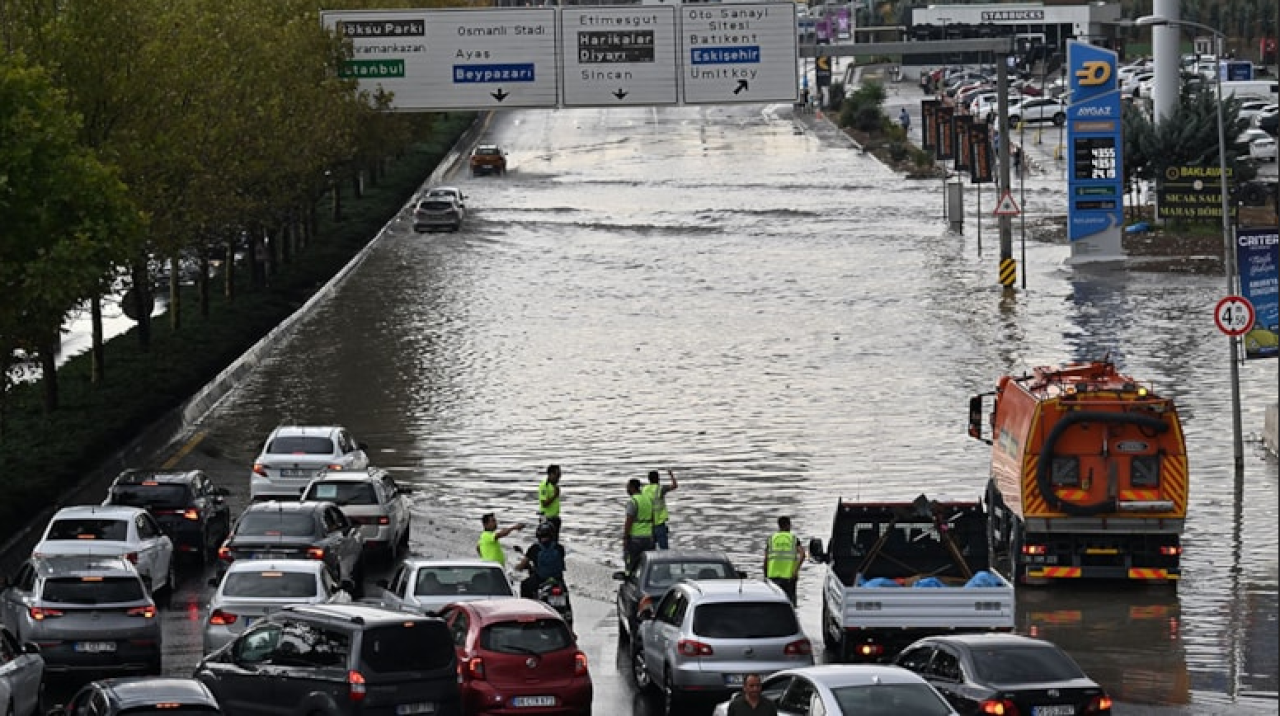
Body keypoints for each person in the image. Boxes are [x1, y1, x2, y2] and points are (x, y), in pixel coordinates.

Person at [514, 521, 567, 598]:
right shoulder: (559, 548)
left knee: (524, 585)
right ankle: (568, 608)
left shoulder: (535, 548)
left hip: (541, 579)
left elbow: (521, 565)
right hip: (557, 579)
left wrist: (517, 568)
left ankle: (527, 607)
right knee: (565, 593)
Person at [763, 516, 806, 606]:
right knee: (790, 605)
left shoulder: (771, 539)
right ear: (788, 525)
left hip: (773, 577)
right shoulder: (793, 539)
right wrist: (795, 571)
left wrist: (765, 575)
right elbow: (802, 555)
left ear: (779, 526)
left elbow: (766, 559)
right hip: (789, 577)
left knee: (774, 604)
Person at [622, 478, 655, 575]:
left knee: (631, 561)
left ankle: (629, 580)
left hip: (635, 538)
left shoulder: (633, 501)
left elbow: (629, 520)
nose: (627, 490)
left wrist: (625, 537)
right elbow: (653, 518)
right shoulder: (648, 500)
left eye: (628, 487)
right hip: (648, 537)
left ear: (632, 488)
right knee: (647, 563)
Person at [642, 469, 679, 550]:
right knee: (664, 550)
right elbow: (675, 486)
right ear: (658, 479)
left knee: (649, 550)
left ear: (649, 479)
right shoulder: (660, 489)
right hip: (659, 523)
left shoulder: (643, 490)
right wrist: (671, 475)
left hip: (648, 524)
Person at [538, 464, 562, 536]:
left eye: (560, 475)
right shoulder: (544, 486)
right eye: (557, 475)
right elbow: (544, 504)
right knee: (546, 540)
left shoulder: (555, 486)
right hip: (546, 518)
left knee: (555, 542)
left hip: (555, 517)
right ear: (550, 474)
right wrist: (554, 496)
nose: (558, 478)